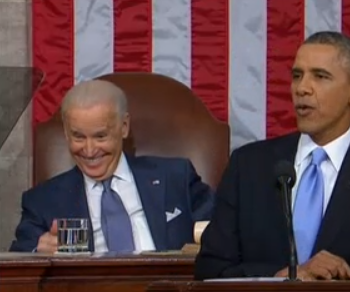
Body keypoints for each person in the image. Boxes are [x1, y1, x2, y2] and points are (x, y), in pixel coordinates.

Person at [194, 31, 350, 281]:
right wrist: (282, 276)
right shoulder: (248, 166)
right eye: (297, 76)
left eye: (320, 76)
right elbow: (210, 270)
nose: (302, 88)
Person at [9, 79, 214, 253]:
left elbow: (224, 232)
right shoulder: (44, 200)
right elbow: (17, 266)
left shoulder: (175, 177)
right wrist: (38, 251)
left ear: (123, 127)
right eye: (78, 137)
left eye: (100, 136)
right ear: (66, 132)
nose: (89, 151)